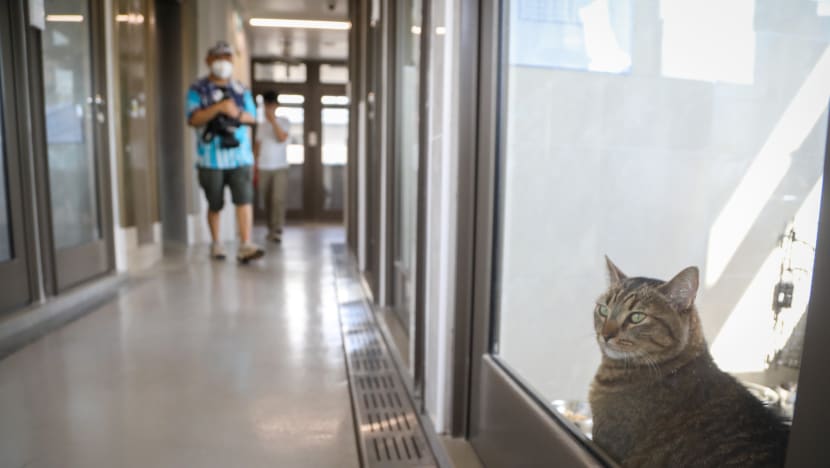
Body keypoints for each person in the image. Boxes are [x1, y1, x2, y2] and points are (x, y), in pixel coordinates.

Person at [186, 41, 264, 263]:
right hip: (210, 158)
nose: (223, 62)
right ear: (208, 60)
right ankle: (216, 243)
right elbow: (192, 118)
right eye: (218, 57)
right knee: (215, 203)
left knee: (244, 199)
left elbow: (252, 117)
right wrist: (218, 108)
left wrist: (235, 113)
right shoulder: (197, 90)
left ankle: (246, 244)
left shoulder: (241, 90)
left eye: (227, 58)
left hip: (240, 156)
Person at [254, 91, 291, 243]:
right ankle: (270, 228)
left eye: (271, 105)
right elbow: (257, 147)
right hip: (263, 167)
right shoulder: (261, 125)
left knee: (278, 198)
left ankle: (277, 228)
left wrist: (273, 121)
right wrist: (254, 167)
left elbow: (281, 138)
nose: (268, 108)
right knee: (267, 200)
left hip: (280, 167)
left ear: (276, 105)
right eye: (266, 105)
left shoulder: (284, 121)